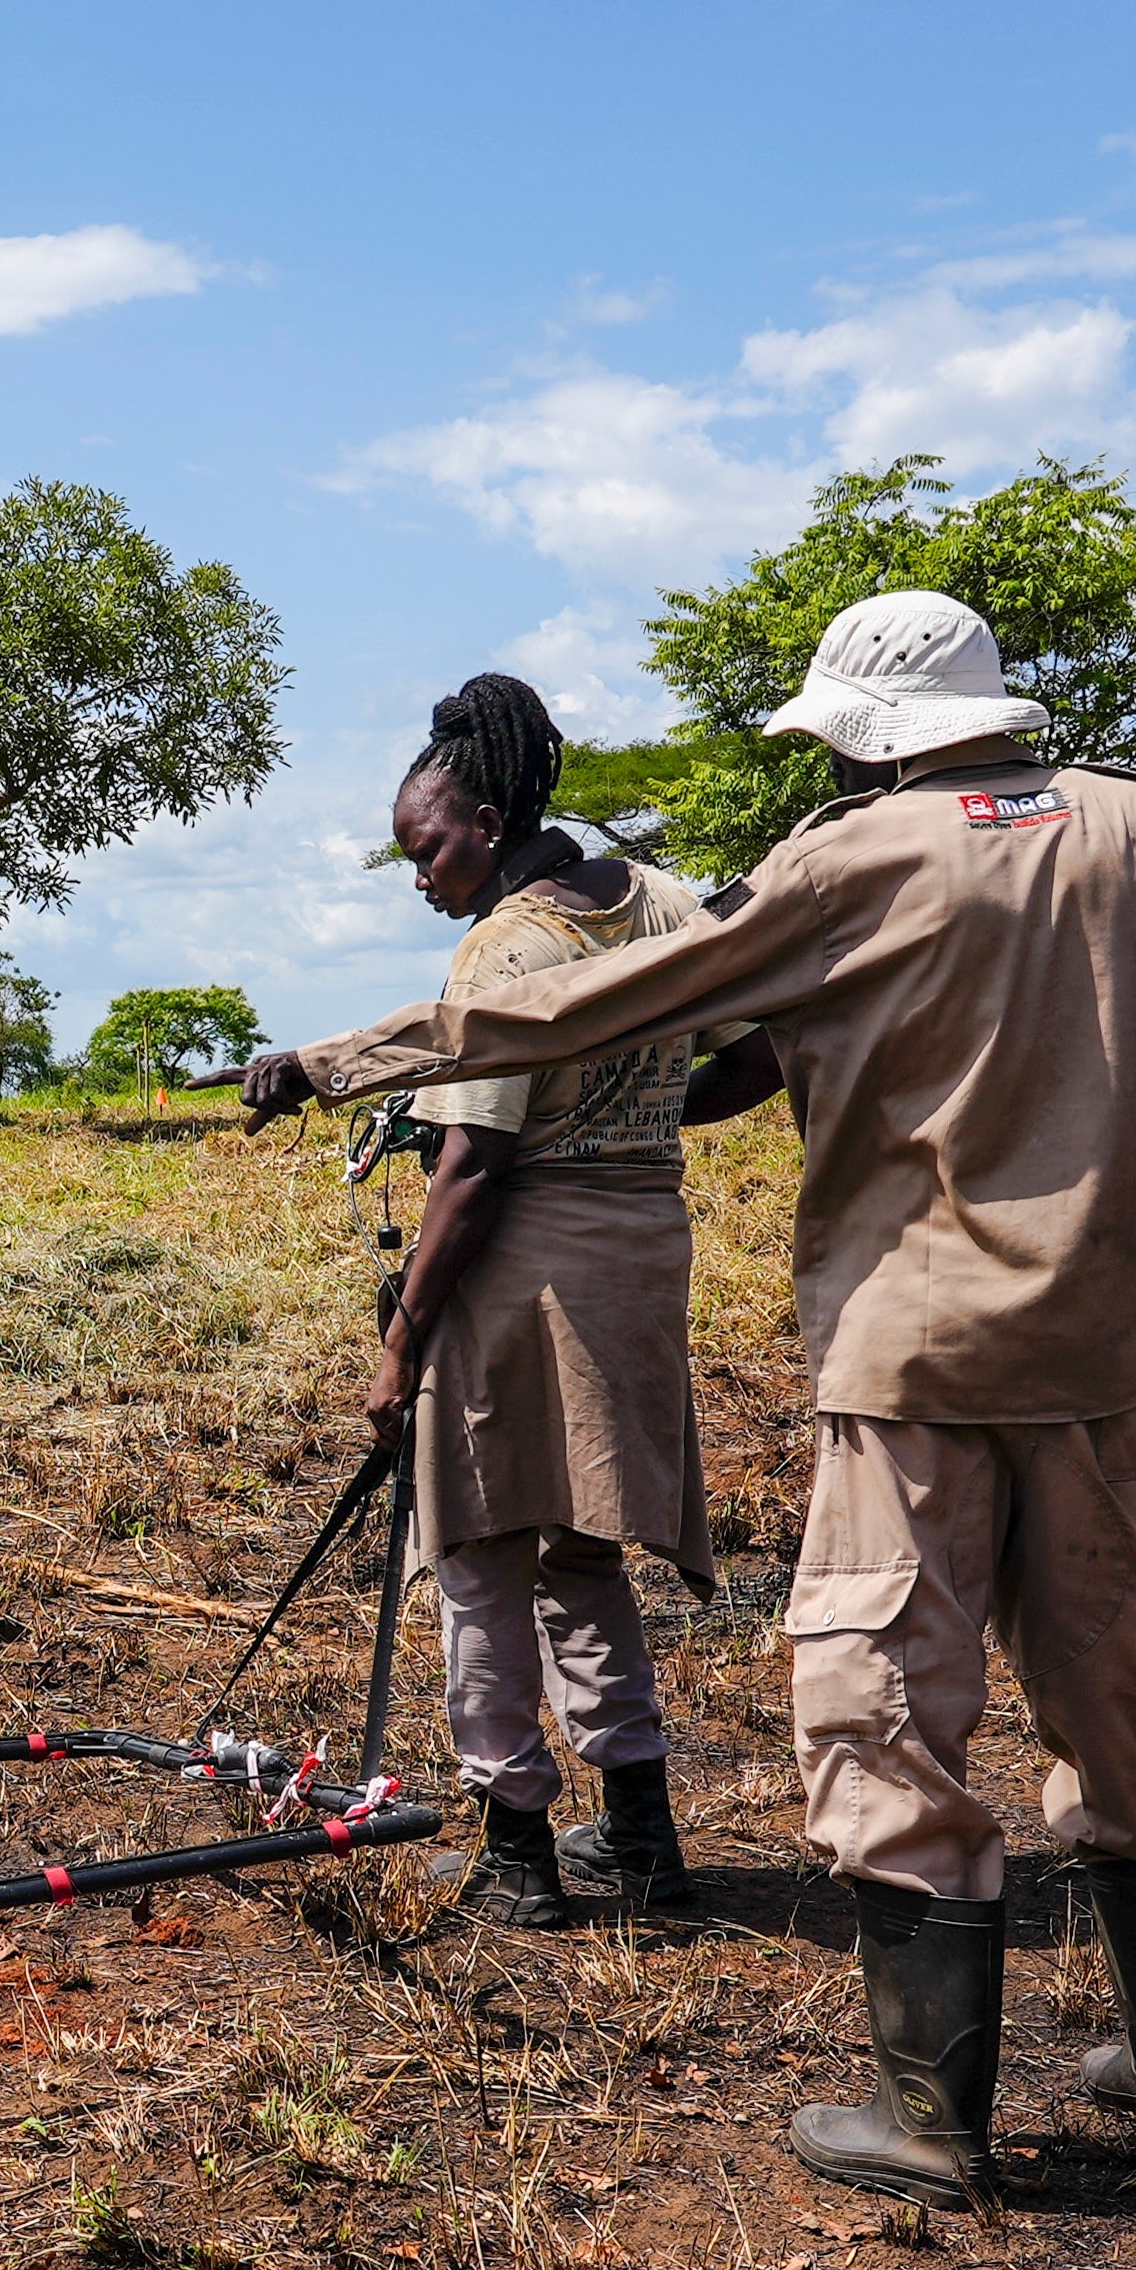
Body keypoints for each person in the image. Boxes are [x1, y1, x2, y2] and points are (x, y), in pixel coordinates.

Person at [241, 591, 1136, 2212]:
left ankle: (935, 2119)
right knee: (1115, 1687)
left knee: (879, 1703)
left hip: (910, 1365)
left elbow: (581, 1011)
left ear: (861, 731)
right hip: (1097, 1361)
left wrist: (343, 1057)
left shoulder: (847, 857)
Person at [353, 678, 739, 1928]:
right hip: (642, 1252)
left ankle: (514, 1848)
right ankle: (641, 1841)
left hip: (524, 1278)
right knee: (581, 1551)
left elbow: (470, 1170)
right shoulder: (663, 902)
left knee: (473, 1553)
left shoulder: (504, 947)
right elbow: (770, 1043)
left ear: (489, 810)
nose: (420, 876)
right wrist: (630, 1116)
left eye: (429, 847)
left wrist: (398, 1346)